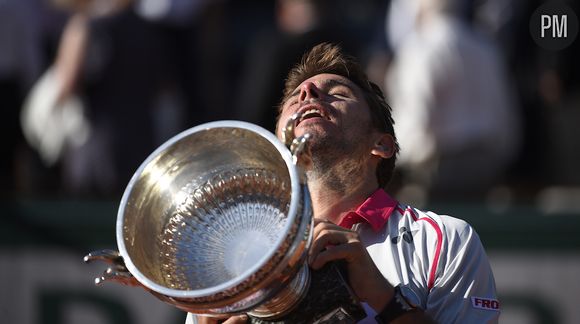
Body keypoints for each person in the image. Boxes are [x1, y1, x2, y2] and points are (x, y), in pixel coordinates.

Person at [186, 42, 499, 323]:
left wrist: (384, 300)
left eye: (336, 93)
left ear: (382, 145)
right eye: (295, 97)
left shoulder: (444, 240)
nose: (307, 94)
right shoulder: (231, 259)